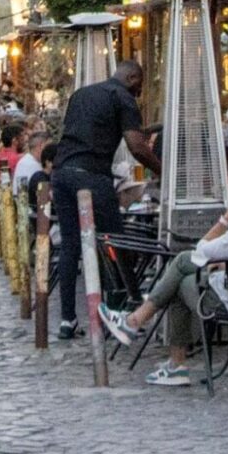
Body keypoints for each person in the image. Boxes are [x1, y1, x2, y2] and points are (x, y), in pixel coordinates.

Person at [101, 170, 228, 387]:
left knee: (180, 270)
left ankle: (151, 338)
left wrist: (226, 218)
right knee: (181, 271)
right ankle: (145, 333)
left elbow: (200, 252)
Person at [47, 59, 155, 340]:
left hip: (61, 174)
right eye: (140, 86)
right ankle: (124, 311)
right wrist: (163, 170)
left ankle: (67, 319)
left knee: (71, 245)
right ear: (132, 78)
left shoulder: (81, 94)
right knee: (115, 242)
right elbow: (136, 146)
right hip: (92, 176)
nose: (140, 93)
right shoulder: (123, 98)